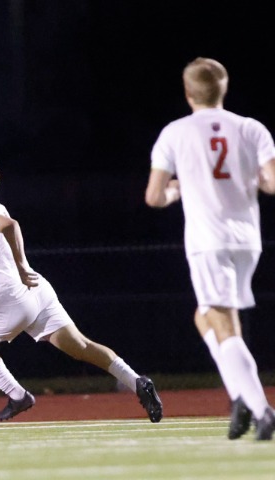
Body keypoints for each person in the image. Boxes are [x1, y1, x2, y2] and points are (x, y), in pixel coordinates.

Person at [0, 155, 163, 423]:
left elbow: (11, 226)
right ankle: (138, 382)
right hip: (37, 292)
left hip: (12, 300)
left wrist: (20, 266)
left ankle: (18, 395)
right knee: (81, 346)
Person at [145, 57, 275, 441]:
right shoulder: (251, 128)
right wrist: (248, 177)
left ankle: (261, 409)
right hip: (247, 239)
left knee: (223, 322)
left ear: (188, 93)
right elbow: (271, 182)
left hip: (208, 240)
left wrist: (178, 189)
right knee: (205, 318)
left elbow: (154, 196)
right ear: (224, 88)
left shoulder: (175, 132)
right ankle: (240, 396)